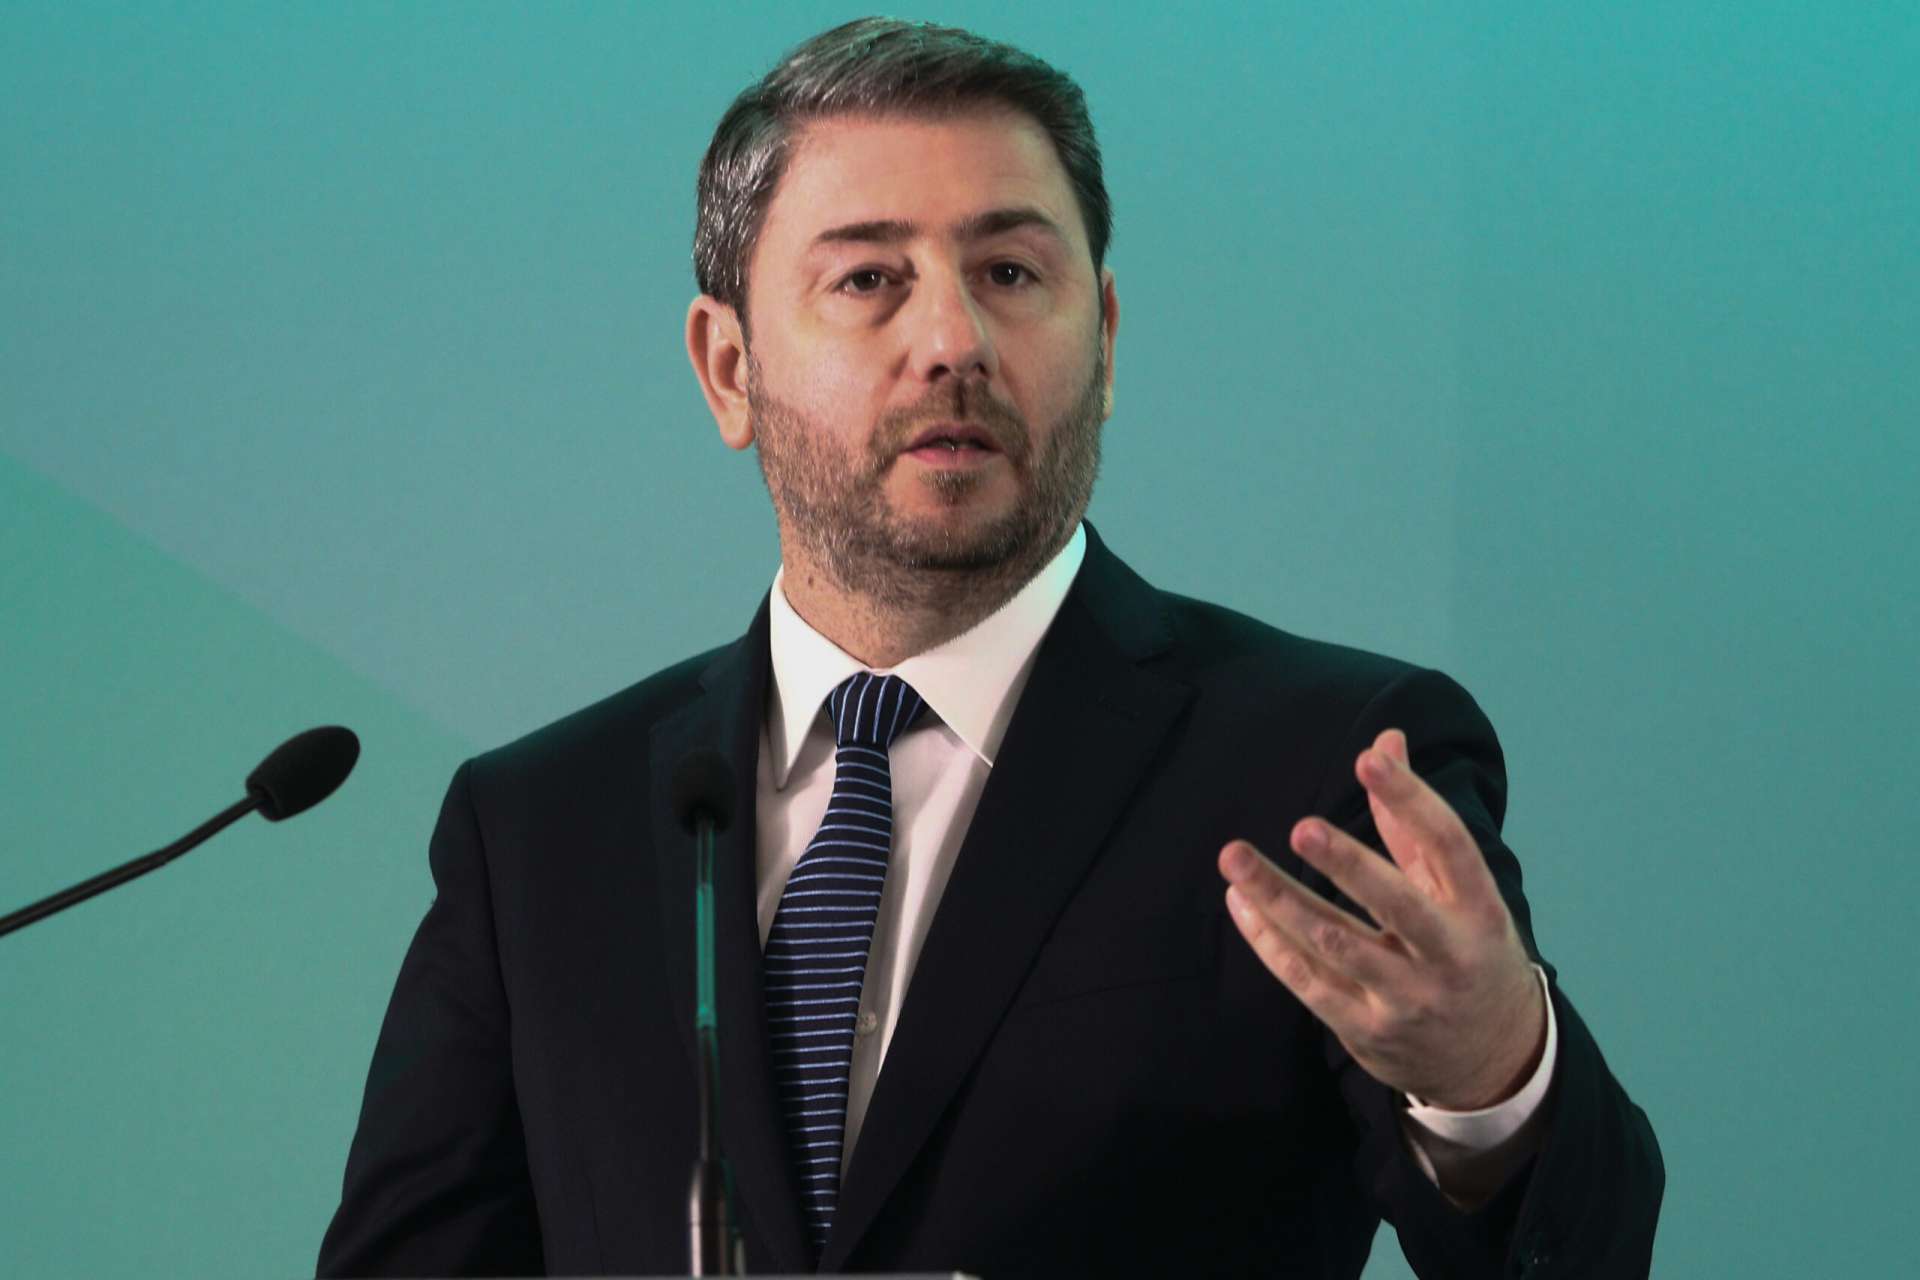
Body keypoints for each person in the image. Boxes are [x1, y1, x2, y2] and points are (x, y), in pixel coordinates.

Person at [317, 17, 1662, 1278]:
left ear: (1106, 340)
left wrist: (1492, 1079)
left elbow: (1583, 1252)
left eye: (1010, 273)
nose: (953, 341)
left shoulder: (1324, 765)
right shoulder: (540, 832)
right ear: (729, 369)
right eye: (869, 279)